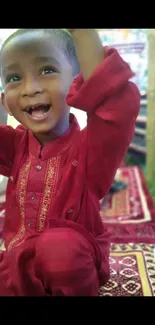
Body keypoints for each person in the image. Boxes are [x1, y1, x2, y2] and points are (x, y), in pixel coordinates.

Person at [0, 29, 140, 296]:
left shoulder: (90, 150)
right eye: (14, 78)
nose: (31, 89)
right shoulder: (15, 146)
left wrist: (83, 34)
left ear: (79, 82)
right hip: (20, 264)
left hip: (74, 264)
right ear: (5, 101)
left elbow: (116, 103)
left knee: (59, 248)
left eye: (47, 70)